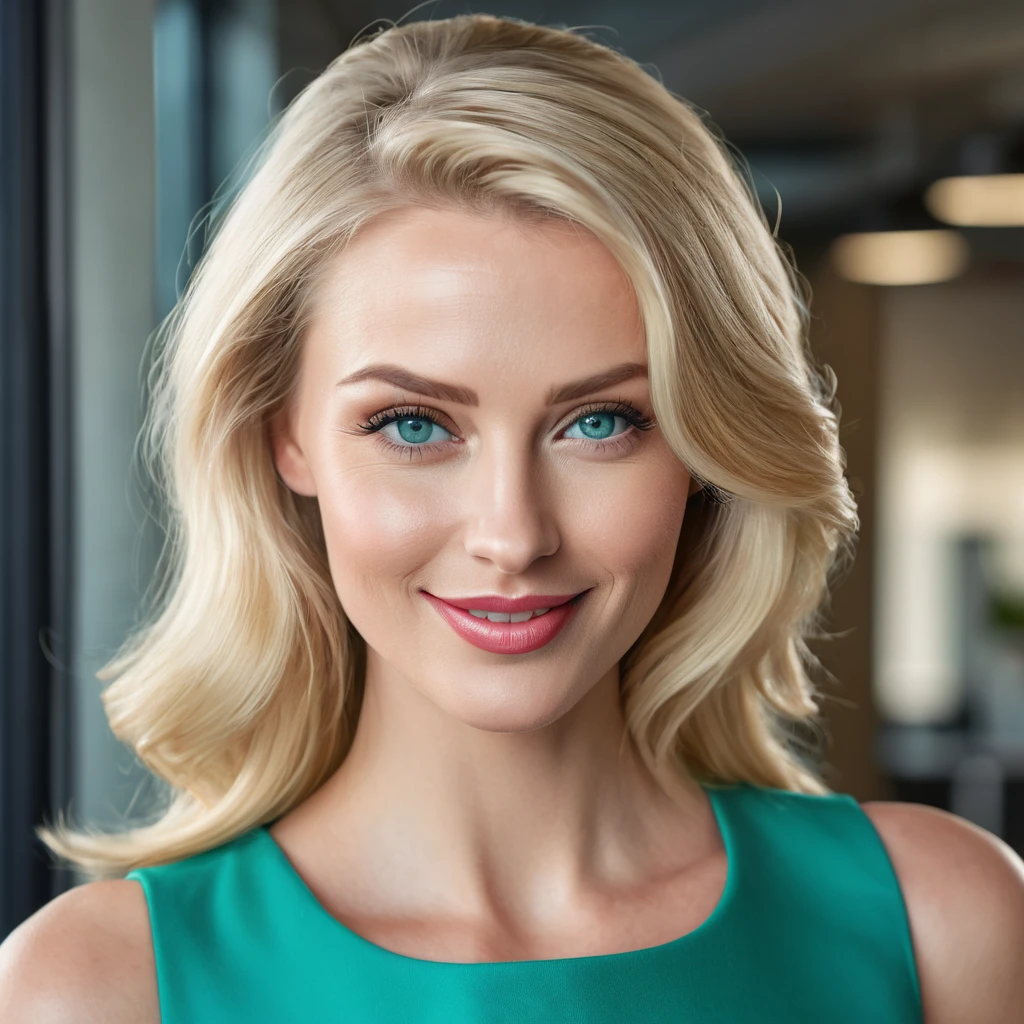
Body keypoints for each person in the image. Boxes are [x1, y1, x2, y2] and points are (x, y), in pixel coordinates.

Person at [2, 12, 1022, 1023]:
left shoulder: (940, 925)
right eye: (412, 423)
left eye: (599, 421)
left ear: (705, 448)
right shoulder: (97, 989)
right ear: (286, 436)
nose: (512, 533)